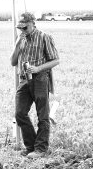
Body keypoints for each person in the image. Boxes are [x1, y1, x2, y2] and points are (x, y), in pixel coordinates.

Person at [11, 12, 60, 159]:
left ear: (33, 23)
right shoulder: (20, 39)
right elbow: (13, 61)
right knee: (20, 113)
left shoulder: (45, 37)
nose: (23, 31)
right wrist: (18, 45)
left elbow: (56, 60)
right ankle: (31, 146)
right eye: (20, 28)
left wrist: (38, 68)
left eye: (25, 28)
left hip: (40, 79)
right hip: (24, 80)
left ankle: (41, 149)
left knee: (42, 115)